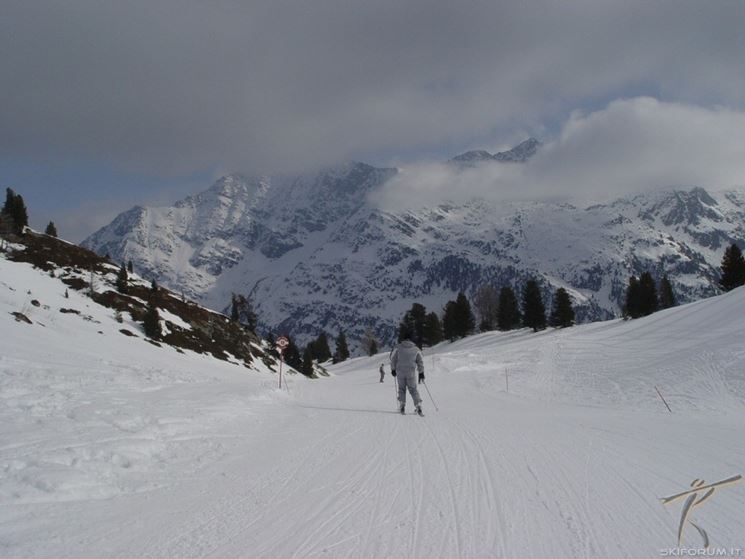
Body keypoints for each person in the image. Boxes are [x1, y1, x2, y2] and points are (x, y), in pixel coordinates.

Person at [390, 330, 425, 415]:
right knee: (413, 389)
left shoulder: (398, 347)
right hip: (411, 372)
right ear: (411, 339)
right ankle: (418, 405)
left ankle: (402, 406)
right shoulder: (416, 349)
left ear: (404, 338)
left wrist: (393, 369)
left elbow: (392, 358)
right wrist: (421, 372)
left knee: (401, 389)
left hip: (400, 372)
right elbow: (420, 361)